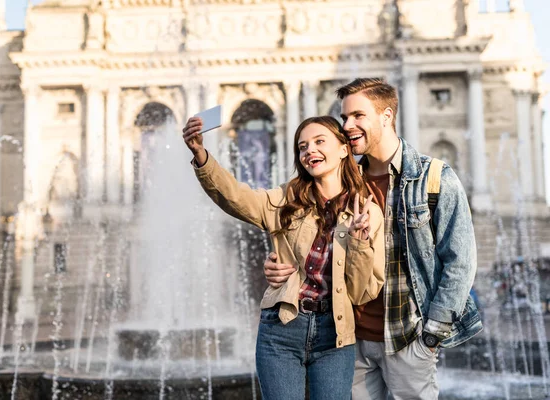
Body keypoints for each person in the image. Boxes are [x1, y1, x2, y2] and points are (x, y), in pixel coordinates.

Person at [263, 78, 483, 399]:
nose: (347, 126)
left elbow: (460, 261)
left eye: (357, 116)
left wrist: (432, 335)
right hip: (347, 339)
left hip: (407, 339)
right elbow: (307, 242)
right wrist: (278, 264)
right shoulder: (339, 181)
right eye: (344, 118)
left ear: (386, 116)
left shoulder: (434, 177)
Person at [182, 115, 385, 400]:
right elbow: (237, 199)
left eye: (319, 142)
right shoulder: (286, 200)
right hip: (281, 326)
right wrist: (202, 157)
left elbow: (364, 292)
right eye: (302, 147)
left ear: (343, 149)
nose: (309, 151)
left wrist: (360, 243)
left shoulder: (368, 212)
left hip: (335, 334)